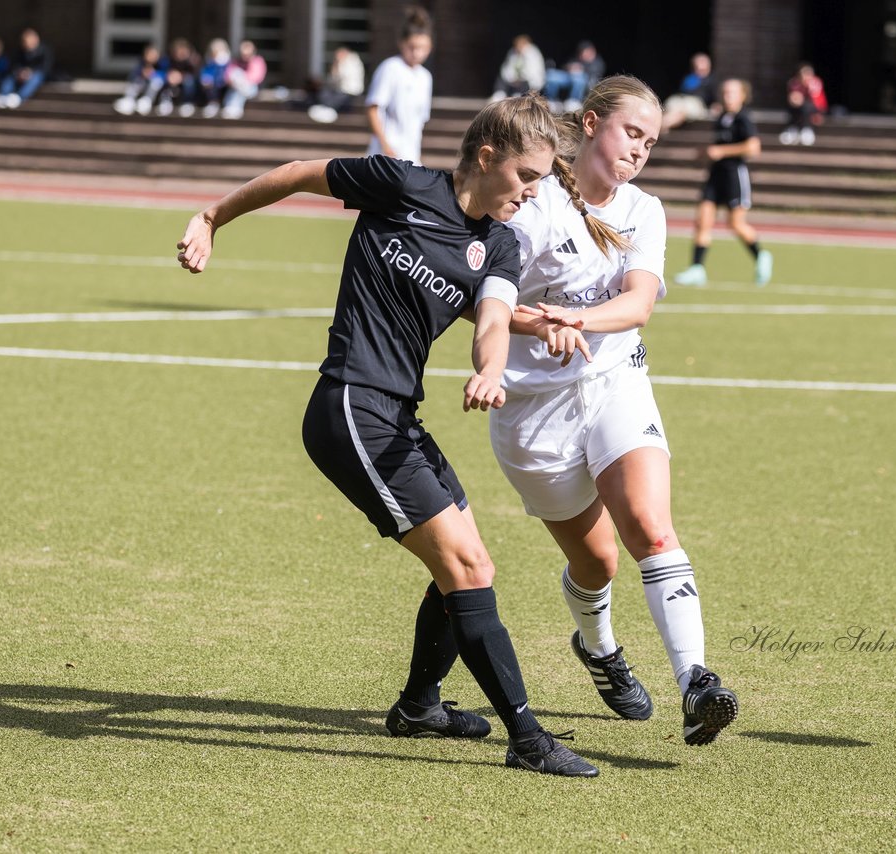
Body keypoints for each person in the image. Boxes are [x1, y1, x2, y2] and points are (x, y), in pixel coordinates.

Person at [174, 95, 599, 778]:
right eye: (526, 176)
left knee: (465, 564)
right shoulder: (401, 184)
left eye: (541, 181)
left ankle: (420, 707)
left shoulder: (500, 242)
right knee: (467, 568)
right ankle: (528, 739)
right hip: (348, 406)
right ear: (486, 157)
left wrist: (493, 368)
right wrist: (212, 217)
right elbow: (296, 173)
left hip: (396, 415)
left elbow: (491, 318)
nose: (532, 192)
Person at [491, 75, 740, 747]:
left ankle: (696, 683)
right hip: (532, 412)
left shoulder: (644, 208)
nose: (640, 151)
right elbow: (488, 304)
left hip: (614, 382)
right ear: (594, 122)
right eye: (633, 132)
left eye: (651, 143)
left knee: (652, 530)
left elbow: (638, 304)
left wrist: (578, 317)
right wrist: (540, 325)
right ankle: (598, 647)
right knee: (597, 565)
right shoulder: (535, 203)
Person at [673, 78, 772, 287]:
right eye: (725, 92)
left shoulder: (743, 119)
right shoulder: (722, 118)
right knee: (702, 220)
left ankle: (761, 255)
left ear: (742, 96)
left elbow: (753, 148)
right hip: (715, 175)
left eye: (732, 93)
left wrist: (721, 151)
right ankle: (697, 268)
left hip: (734, 175)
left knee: (735, 223)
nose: (727, 96)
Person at [364, 6, 433, 164]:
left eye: (422, 48)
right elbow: (373, 108)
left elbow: (419, 120)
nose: (416, 53)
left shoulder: (425, 77)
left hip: (411, 155)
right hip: (386, 154)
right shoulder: (391, 68)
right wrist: (385, 145)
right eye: (412, 47)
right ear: (402, 44)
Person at [306, 46, 365, 124]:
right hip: (342, 91)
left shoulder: (349, 62)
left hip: (348, 93)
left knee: (324, 96)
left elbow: (337, 78)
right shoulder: (350, 61)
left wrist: (336, 66)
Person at [0, 28, 53, 109]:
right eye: (25, 42)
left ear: (35, 39)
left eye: (28, 41)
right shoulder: (21, 51)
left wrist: (31, 72)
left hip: (37, 75)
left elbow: (45, 67)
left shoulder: (45, 50)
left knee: (36, 77)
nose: (26, 44)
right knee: (9, 78)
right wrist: (20, 72)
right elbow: (15, 65)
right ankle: (3, 96)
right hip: (21, 75)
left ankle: (18, 98)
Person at [661, 52, 718, 132]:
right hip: (681, 100)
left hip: (696, 104)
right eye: (698, 63)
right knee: (670, 107)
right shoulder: (689, 78)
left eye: (703, 62)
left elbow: (715, 101)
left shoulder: (712, 81)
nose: (700, 65)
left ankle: (662, 126)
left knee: (681, 112)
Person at [542, 40, 605, 112]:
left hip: (583, 81)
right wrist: (570, 67)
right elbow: (565, 66)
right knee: (551, 75)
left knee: (578, 77)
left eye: (585, 51)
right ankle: (551, 100)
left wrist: (581, 69)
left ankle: (573, 102)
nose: (583, 54)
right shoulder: (577, 58)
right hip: (569, 77)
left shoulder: (597, 62)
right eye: (582, 52)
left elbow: (594, 76)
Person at [779, 63, 827, 146]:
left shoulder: (815, 83)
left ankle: (806, 129)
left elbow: (816, 99)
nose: (804, 77)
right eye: (802, 74)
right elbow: (792, 97)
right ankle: (792, 129)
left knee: (806, 106)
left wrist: (807, 88)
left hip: (816, 107)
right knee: (793, 107)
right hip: (798, 108)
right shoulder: (794, 83)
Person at [113, 43, 166, 116]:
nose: (151, 57)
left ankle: (146, 101)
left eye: (154, 55)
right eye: (149, 55)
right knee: (137, 81)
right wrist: (142, 74)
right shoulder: (141, 65)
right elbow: (132, 76)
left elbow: (164, 75)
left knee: (156, 82)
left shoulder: (162, 64)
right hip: (141, 85)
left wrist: (153, 74)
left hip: (153, 90)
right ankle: (129, 100)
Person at [491, 34, 546, 101]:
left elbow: (533, 73)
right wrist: (513, 78)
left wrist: (520, 78)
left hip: (528, 83)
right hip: (514, 81)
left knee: (524, 84)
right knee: (501, 78)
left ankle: (518, 96)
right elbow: (506, 69)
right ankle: (499, 94)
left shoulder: (533, 53)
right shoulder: (512, 52)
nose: (518, 47)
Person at [222, 39, 267, 120]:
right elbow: (227, 76)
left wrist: (242, 79)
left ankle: (232, 108)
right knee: (237, 82)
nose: (245, 56)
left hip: (252, 88)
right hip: (237, 87)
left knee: (239, 84)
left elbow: (257, 78)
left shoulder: (257, 61)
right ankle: (233, 109)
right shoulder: (236, 61)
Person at [156, 38, 200, 118]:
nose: (181, 53)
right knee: (159, 81)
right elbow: (160, 71)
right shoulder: (167, 60)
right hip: (170, 84)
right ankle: (165, 101)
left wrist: (182, 76)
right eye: (179, 51)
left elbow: (196, 75)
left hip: (185, 86)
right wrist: (168, 75)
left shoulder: (192, 61)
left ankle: (187, 103)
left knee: (189, 81)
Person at [198, 38, 232, 118]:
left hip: (224, 85)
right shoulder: (209, 62)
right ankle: (213, 103)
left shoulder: (228, 62)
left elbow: (228, 73)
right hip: (213, 86)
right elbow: (205, 72)